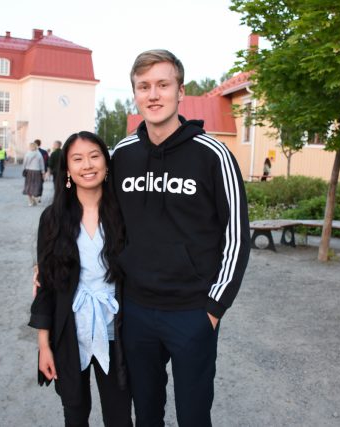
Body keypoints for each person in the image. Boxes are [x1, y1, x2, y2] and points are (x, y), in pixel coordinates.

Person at [112, 49, 250, 426]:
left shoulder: (214, 154)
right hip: (136, 310)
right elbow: (93, 213)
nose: (153, 94)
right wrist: (50, 259)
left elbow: (237, 235)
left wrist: (214, 308)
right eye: (144, 86)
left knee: (193, 416)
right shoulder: (122, 155)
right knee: (146, 415)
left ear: (180, 91)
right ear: (135, 94)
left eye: (163, 84)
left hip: (192, 311)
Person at [30, 131, 132, 427]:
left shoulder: (125, 215)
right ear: (67, 169)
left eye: (94, 156)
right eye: (77, 159)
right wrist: (44, 345)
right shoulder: (53, 219)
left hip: (116, 333)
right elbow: (46, 287)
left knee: (119, 417)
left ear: (106, 164)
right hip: (70, 331)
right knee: (74, 413)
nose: (87, 165)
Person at [22, 142, 44, 206]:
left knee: (28, 186)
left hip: (29, 171)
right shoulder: (39, 154)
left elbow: (24, 163)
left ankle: (30, 201)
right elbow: (41, 164)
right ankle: (34, 198)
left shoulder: (27, 154)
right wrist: (43, 172)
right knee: (36, 185)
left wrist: (24, 169)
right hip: (37, 172)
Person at [35, 139, 49, 203]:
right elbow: (47, 161)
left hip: (34, 170)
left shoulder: (32, 152)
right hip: (43, 170)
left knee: (34, 183)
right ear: (40, 144)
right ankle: (39, 196)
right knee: (40, 183)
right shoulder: (44, 152)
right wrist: (47, 170)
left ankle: (35, 195)